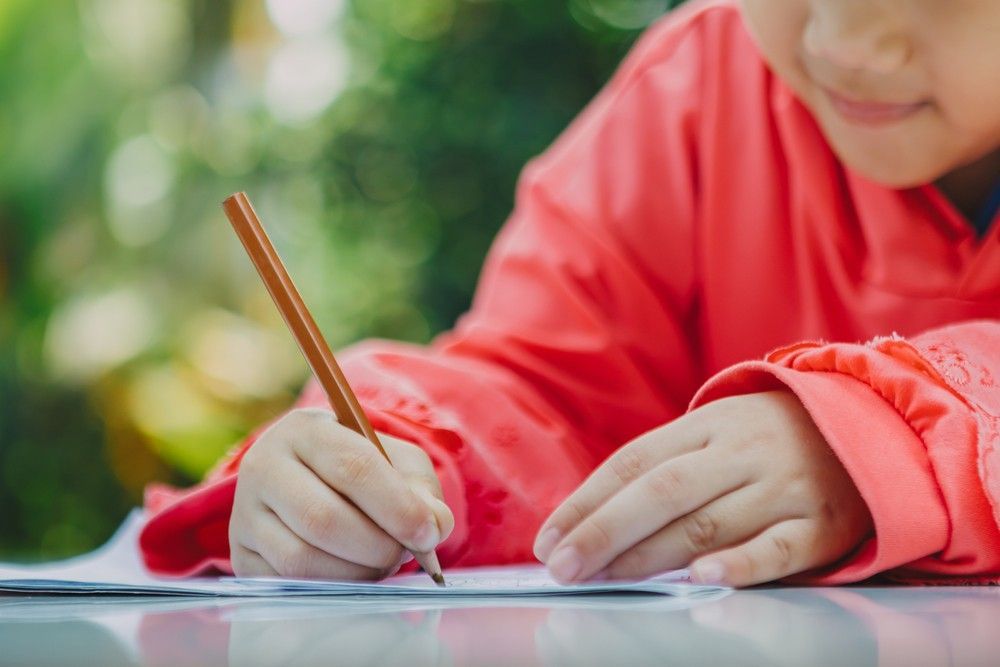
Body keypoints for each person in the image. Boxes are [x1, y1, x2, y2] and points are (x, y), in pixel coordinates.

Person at [138, 0, 1000, 588]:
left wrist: (888, 444)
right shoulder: (699, 93)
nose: (845, 41)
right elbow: (540, 388)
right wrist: (400, 467)